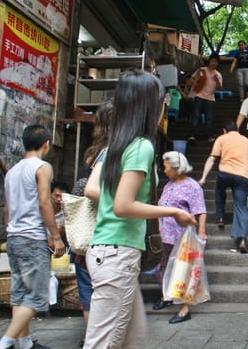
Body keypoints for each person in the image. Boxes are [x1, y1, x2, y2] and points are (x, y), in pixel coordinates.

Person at [82, 69, 197, 348]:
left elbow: (102, 193)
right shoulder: (141, 146)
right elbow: (123, 206)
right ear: (149, 105)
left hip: (111, 253)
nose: (164, 108)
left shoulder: (115, 145)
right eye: (163, 101)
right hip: (117, 255)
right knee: (103, 343)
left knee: (134, 340)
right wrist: (173, 212)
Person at [0, 125, 65, 349]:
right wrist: (55, 236)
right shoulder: (42, 167)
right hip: (32, 238)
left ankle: (24, 344)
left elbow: (7, 208)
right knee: (35, 297)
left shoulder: (13, 171)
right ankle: (4, 344)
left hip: (14, 238)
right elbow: (44, 202)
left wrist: (12, 230)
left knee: (20, 295)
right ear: (46, 144)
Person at [70, 100, 113, 348]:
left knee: (88, 291)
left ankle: (90, 337)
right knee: (103, 292)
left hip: (84, 236)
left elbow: (83, 188)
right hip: (103, 232)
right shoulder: (113, 153)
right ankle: (98, 340)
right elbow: (91, 190)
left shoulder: (92, 152)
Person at [152, 151, 207, 324]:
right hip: (166, 236)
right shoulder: (169, 184)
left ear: (177, 167)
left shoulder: (191, 186)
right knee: (162, 268)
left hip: (181, 237)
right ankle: (167, 296)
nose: (164, 169)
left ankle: (184, 309)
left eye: (167, 166)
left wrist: (202, 232)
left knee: (180, 272)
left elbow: (200, 210)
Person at [198, 120, 248, 254]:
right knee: (241, 206)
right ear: (237, 129)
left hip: (225, 174)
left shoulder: (222, 138)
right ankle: (242, 239)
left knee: (219, 189)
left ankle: (220, 216)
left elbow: (212, 158)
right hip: (242, 177)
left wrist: (203, 178)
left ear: (225, 130)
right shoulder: (246, 140)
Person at [191, 53, 223, 143]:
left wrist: (217, 81)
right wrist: (195, 84)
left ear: (217, 64)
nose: (214, 63)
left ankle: (209, 136)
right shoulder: (202, 70)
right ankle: (193, 135)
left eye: (216, 62)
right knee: (196, 116)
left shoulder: (218, 74)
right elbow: (192, 78)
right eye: (212, 61)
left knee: (209, 118)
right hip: (199, 96)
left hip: (210, 98)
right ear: (209, 61)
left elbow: (220, 88)